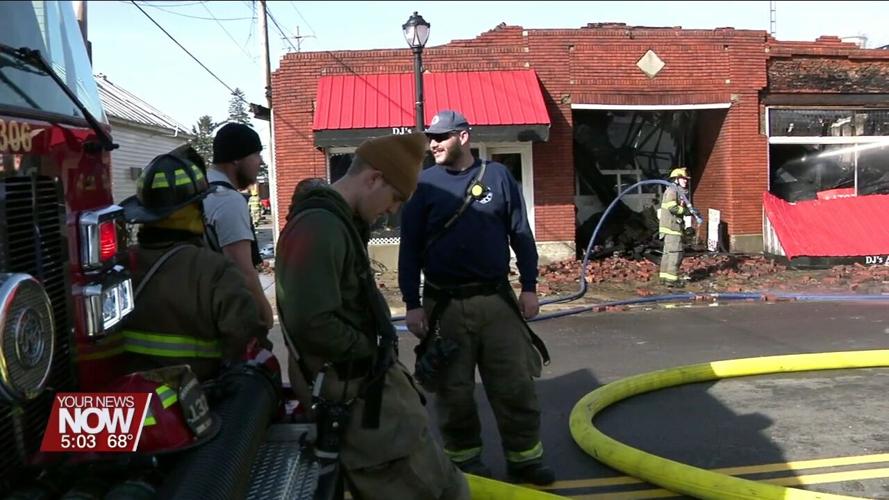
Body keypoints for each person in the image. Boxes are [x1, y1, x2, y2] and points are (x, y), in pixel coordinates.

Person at [275, 133, 468, 500]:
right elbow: (312, 322)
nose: (394, 210)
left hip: (365, 391)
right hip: (357, 396)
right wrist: (369, 347)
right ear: (373, 178)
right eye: (396, 198)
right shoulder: (320, 228)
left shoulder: (337, 223)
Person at [398, 109, 554, 485]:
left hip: (496, 301)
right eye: (431, 137)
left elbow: (520, 234)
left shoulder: (498, 177)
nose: (433, 143)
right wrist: (412, 304)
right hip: (444, 306)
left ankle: (525, 460)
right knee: (453, 392)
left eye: (442, 137)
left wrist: (529, 287)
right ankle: (465, 465)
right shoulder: (423, 185)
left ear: (464, 137)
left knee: (514, 384)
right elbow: (410, 249)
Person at [119, 150, 268, 381]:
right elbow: (248, 340)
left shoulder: (120, 267)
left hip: (131, 403)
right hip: (201, 403)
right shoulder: (216, 271)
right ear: (196, 210)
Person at [204, 122, 274, 330]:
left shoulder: (200, 188)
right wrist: (265, 313)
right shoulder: (228, 199)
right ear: (236, 158)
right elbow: (242, 269)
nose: (260, 162)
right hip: (219, 315)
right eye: (256, 154)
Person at [659, 167, 692, 288]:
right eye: (683, 179)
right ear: (676, 179)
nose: (686, 181)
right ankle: (672, 280)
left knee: (668, 254)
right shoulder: (673, 191)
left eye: (686, 179)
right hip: (672, 228)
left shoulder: (676, 191)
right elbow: (673, 208)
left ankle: (664, 278)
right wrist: (686, 211)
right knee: (675, 254)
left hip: (670, 227)